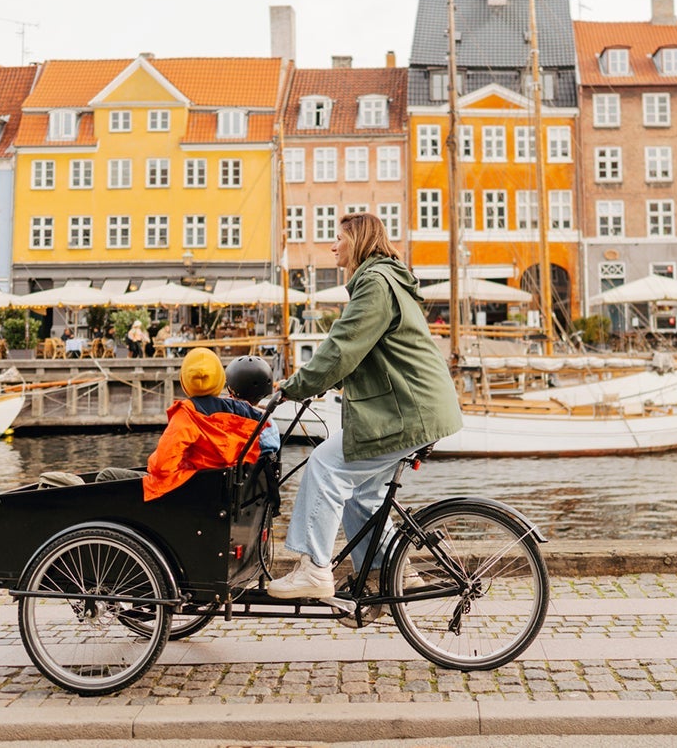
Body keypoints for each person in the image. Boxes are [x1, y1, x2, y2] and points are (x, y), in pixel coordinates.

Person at [267, 212, 463, 599]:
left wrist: (297, 386)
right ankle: (387, 574)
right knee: (362, 497)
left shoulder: (374, 283)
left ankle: (313, 568)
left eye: (338, 237)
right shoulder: (385, 279)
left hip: (407, 410)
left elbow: (342, 347)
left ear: (357, 241)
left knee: (325, 465)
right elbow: (366, 352)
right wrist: (325, 382)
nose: (332, 245)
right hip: (413, 406)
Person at [142, 348, 279, 501]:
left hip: (189, 489)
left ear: (184, 382)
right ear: (220, 380)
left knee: (110, 476)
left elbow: (162, 465)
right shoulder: (250, 417)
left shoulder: (187, 413)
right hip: (228, 491)